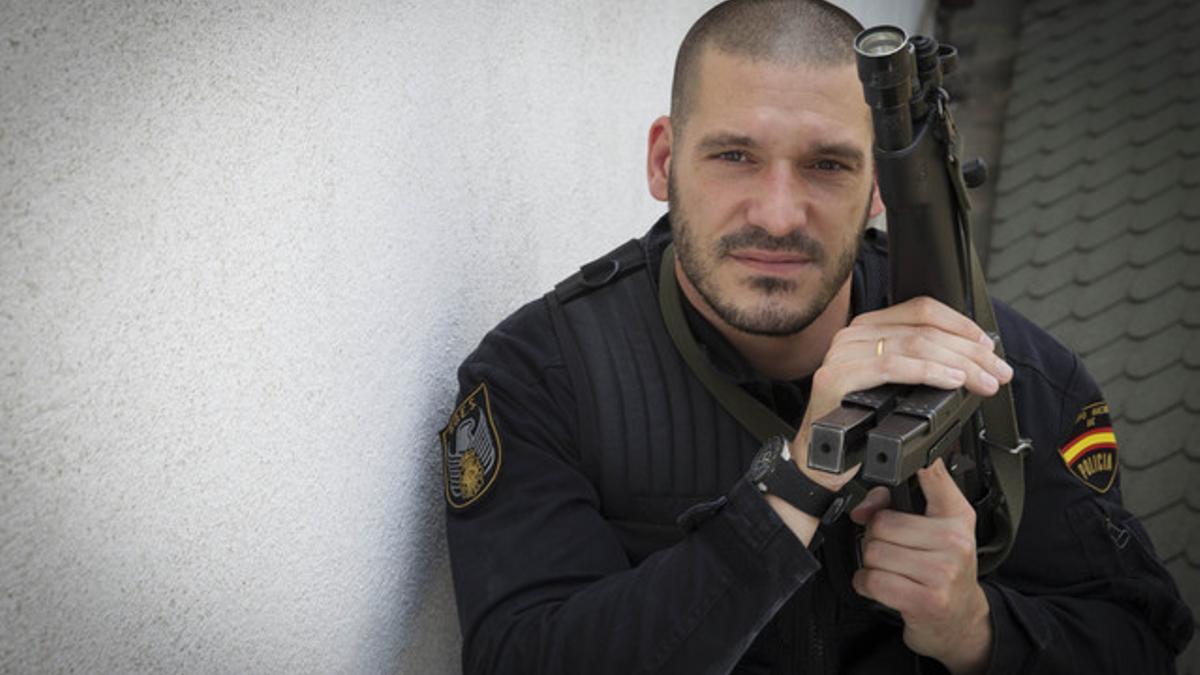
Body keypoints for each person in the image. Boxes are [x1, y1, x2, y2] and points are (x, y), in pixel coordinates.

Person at [439, 1, 1194, 673]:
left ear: (877, 189)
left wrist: (976, 628)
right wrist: (793, 487)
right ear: (665, 161)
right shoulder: (540, 377)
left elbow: (1138, 634)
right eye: (735, 156)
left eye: (826, 164)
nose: (777, 214)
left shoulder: (1013, 372)